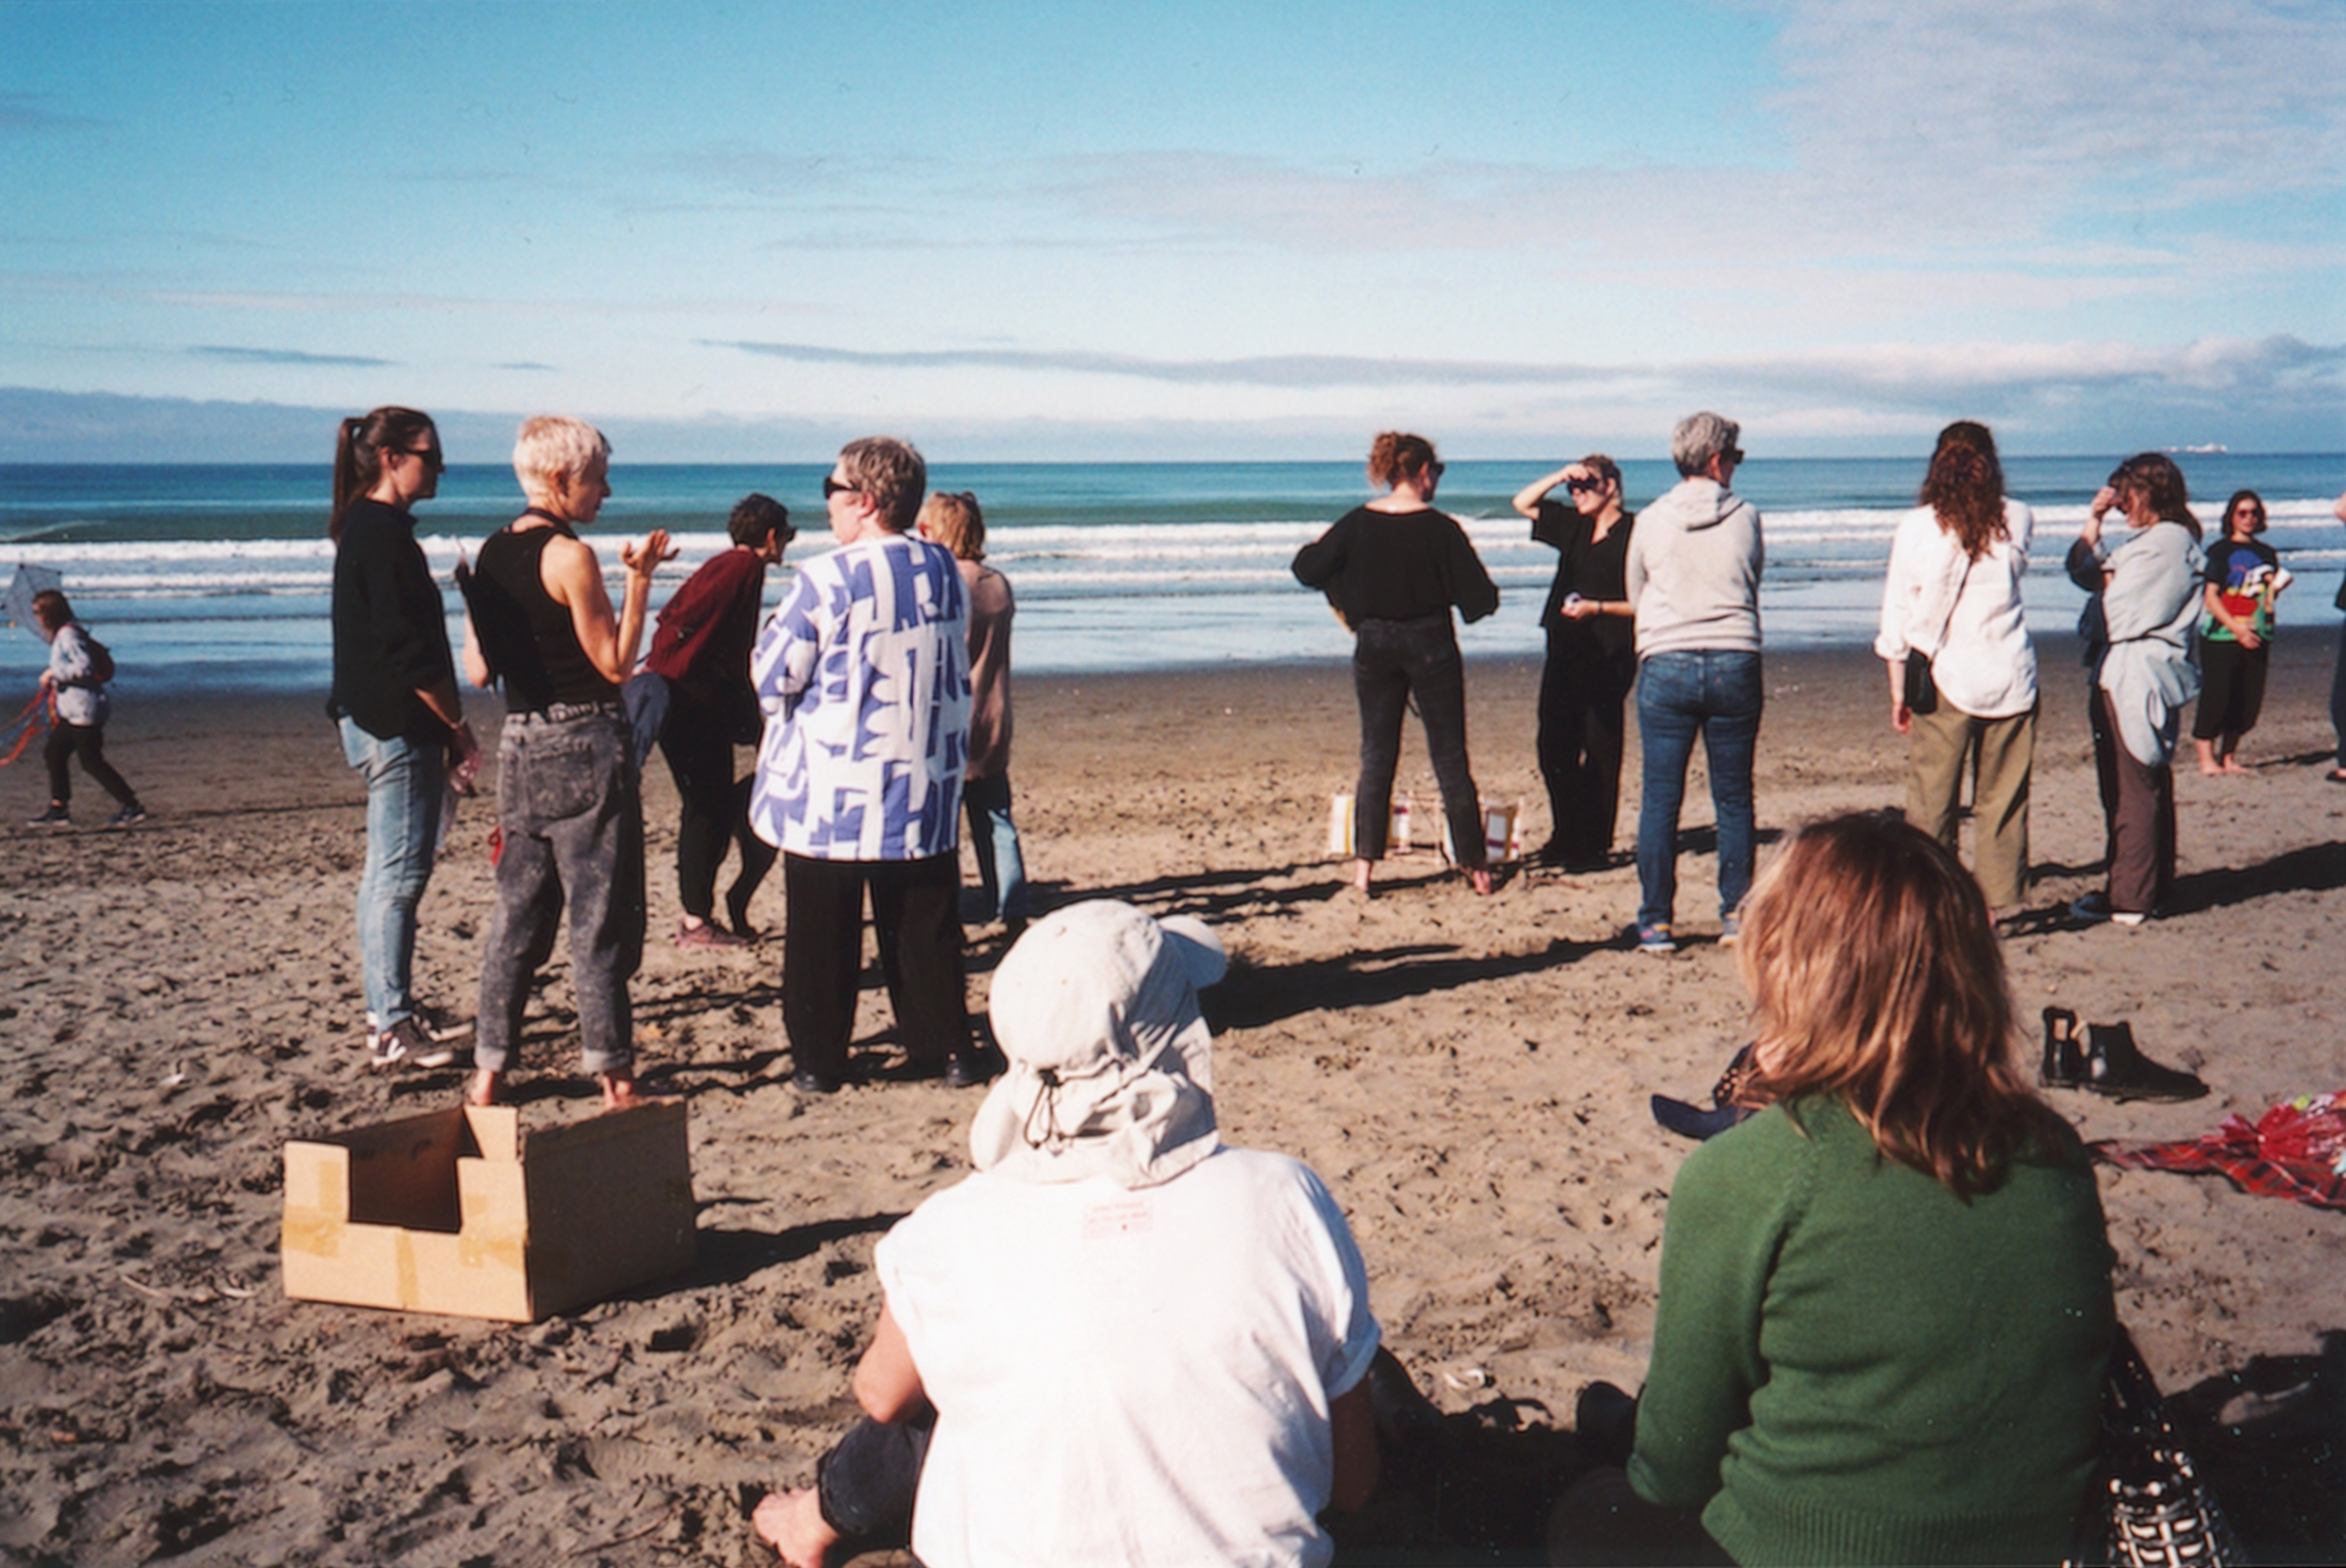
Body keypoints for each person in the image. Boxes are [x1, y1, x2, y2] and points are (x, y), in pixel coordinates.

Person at [1548, 814, 2114, 1567]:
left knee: (1585, 1510)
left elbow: (1674, 1470)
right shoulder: (2054, 1151)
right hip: (2028, 1547)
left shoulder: (1753, 1171)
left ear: (1792, 966)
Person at [748, 900, 1380, 1568]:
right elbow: (1355, 1485)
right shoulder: (1283, 1194)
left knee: (962, 1375)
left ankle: (817, 1520)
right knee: (1324, 1352)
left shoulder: (951, 1226)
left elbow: (880, 1393)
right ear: (1177, 1035)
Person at [749, 436, 978, 1094]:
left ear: (866, 502)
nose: (826, 505)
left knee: (822, 936)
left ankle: (820, 1061)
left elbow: (772, 677)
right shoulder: (943, 567)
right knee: (924, 928)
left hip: (834, 785)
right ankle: (946, 1049)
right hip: (921, 780)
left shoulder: (826, 577)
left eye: (833, 490)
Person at [461, 416, 674, 1110]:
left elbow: (477, 668)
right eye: (597, 478)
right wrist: (639, 581)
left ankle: (489, 1071)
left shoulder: (488, 555)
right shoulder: (569, 556)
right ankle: (615, 1077)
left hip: (520, 743)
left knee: (518, 917)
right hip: (585, 740)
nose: (605, 491)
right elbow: (614, 664)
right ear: (560, 480)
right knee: (598, 916)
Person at [326, 406, 480, 1069]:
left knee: (383, 875)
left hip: (369, 718)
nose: (439, 467)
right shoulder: (381, 534)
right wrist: (457, 724)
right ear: (391, 456)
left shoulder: (363, 525)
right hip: (395, 725)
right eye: (430, 455)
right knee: (399, 877)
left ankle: (385, 1008)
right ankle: (390, 1021)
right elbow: (409, 649)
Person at [1292, 432, 1500, 896]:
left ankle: (1364, 870)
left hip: (1374, 641)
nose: (1437, 482)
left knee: (1377, 755)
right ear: (1424, 472)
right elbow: (1480, 601)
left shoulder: (1356, 524)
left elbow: (1307, 568)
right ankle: (1477, 868)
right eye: (1437, 473)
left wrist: (1345, 583)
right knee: (1449, 756)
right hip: (1430, 641)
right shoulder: (1441, 529)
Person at [1874, 420, 2037, 913]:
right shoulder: (2019, 517)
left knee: (1932, 801)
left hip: (1947, 673)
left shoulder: (1917, 526)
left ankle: (1933, 903)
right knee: (2003, 801)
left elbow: (1898, 612)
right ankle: (1994, 906)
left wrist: (1899, 689)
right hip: (2010, 669)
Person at [1623, 412, 1764, 953]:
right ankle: (1736, 912)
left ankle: (1656, 920)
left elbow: (1637, 592)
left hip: (1667, 657)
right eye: (1735, 457)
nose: (1735, 467)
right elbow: (1752, 577)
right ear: (1715, 461)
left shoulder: (1651, 519)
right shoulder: (1746, 516)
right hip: (1734, 654)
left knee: (1660, 797)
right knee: (1733, 796)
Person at [646, 494, 792, 948]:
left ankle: (698, 913)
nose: (787, 543)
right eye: (787, 535)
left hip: (683, 692)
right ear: (771, 535)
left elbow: (676, 619)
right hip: (693, 699)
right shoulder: (743, 568)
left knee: (705, 807)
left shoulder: (723, 564)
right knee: (706, 809)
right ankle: (696, 921)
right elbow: (723, 644)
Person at [2067, 452, 2202, 926]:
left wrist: (2105, 574)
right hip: (2134, 670)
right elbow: (2084, 571)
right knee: (2135, 783)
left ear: (2151, 492)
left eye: (2128, 494)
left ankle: (2132, 897)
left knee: (2133, 786)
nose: (2123, 504)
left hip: (2136, 673)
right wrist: (2094, 522)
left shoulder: (2164, 544)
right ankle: (2141, 887)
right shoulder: (2157, 541)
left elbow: (2113, 611)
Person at [1512, 455, 1638, 871]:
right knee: (1553, 745)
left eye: (1587, 485)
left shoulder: (1635, 533)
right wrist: (1561, 474)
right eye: (1574, 487)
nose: (1578, 493)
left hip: (1610, 651)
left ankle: (1594, 841)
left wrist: (1597, 608)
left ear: (1612, 487)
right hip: (1565, 647)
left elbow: (1648, 600)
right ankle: (1566, 832)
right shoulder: (1574, 525)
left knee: (1600, 746)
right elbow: (1522, 502)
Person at [919, 490, 1029, 935]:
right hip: (993, 719)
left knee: (943, 829)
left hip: (951, 721)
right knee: (997, 820)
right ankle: (1010, 903)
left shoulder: (946, 586)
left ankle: (952, 908)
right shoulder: (997, 584)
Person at [28, 588, 145, 831]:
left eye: (38, 612)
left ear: (50, 612)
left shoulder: (68, 635)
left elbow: (84, 667)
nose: (36, 617)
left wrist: (55, 674)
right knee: (55, 753)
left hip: (85, 708)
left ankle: (132, 806)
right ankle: (59, 808)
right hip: (74, 708)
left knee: (91, 761)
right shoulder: (63, 635)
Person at [2193, 488, 2286, 775]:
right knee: (2216, 695)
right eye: (2242, 513)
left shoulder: (2267, 553)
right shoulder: (2220, 552)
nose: (2248, 518)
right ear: (2231, 517)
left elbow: (2265, 598)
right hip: (2222, 634)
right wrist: (2236, 629)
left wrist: (2274, 594)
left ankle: (2229, 757)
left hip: (2259, 632)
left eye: (2254, 513)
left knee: (2246, 698)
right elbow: (2211, 597)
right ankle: (2206, 759)